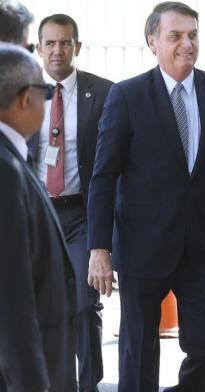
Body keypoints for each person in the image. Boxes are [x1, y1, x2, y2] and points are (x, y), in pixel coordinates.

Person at [87, 2, 205, 392]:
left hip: (203, 244)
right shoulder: (127, 96)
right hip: (141, 244)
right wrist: (99, 248)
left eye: (193, 35)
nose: (186, 44)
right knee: (138, 351)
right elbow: (103, 178)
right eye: (175, 36)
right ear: (153, 42)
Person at [28, 14, 112, 392]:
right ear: (38, 48)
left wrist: (104, 242)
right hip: (35, 214)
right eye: (50, 43)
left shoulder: (107, 93)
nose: (58, 50)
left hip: (81, 214)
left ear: (77, 47)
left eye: (65, 43)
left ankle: (88, 384)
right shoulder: (19, 94)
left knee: (82, 303)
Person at [0, 42, 77, 392]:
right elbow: (11, 294)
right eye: (45, 92)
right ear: (24, 99)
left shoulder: (14, 157)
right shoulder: (5, 169)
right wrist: (32, 381)